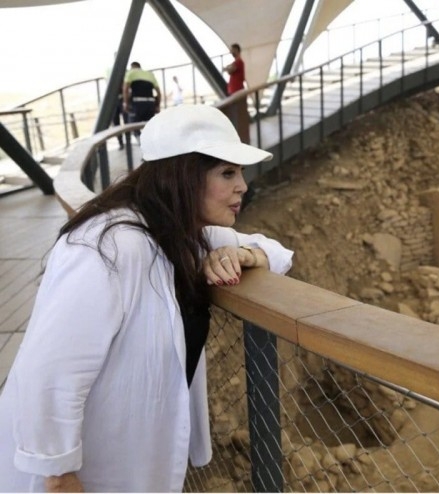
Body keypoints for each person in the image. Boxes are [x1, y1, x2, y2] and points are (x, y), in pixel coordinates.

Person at [0, 104, 293, 492]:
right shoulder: (107, 248)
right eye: (227, 172)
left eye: (239, 172)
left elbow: (279, 253)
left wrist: (244, 254)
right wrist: (59, 474)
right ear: (182, 176)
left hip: (130, 463)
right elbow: (51, 370)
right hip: (81, 473)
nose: (243, 185)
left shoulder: (185, 234)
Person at [122, 61, 161, 133]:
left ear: (132, 67)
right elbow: (158, 92)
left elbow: (125, 89)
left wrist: (126, 103)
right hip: (150, 103)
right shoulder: (150, 74)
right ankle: (149, 142)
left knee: (134, 126)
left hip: (137, 103)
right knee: (150, 127)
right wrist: (157, 105)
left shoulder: (130, 73)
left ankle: (140, 142)